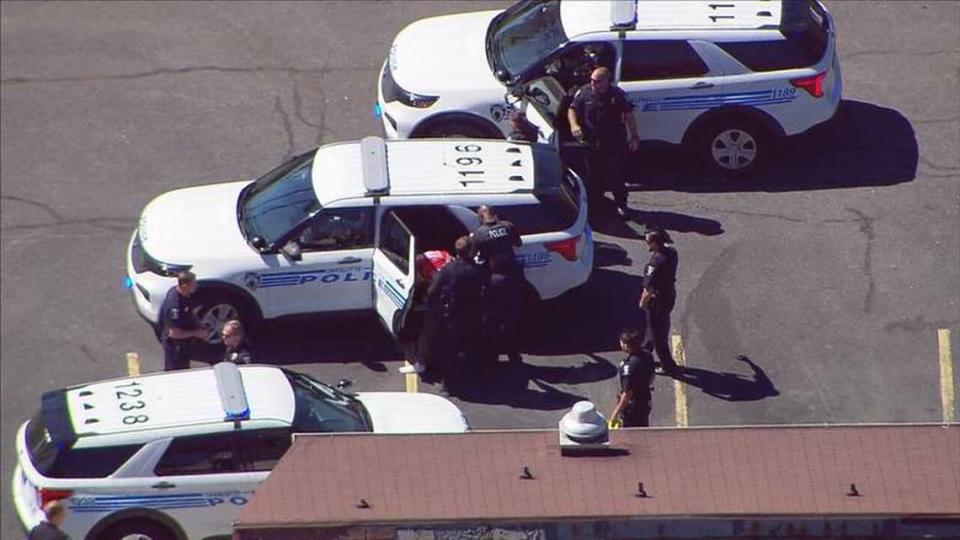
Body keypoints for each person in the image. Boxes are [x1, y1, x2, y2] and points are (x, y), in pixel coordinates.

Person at [567, 66, 640, 218]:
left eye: (598, 81)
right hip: (592, 142)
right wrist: (574, 125)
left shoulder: (617, 95)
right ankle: (596, 204)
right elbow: (572, 109)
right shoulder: (584, 92)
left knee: (617, 175)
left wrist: (634, 136)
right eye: (592, 80)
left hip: (614, 142)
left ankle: (621, 205)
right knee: (594, 176)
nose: (594, 84)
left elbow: (629, 115)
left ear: (607, 81)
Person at [426, 236, 488, 390]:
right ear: (472, 252)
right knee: (472, 346)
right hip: (473, 315)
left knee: (448, 351)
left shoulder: (448, 270)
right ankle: (474, 378)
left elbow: (432, 292)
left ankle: (448, 384)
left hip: (451, 317)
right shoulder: (478, 270)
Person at [471, 205, 524, 364]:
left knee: (493, 318)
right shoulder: (508, 226)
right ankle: (513, 355)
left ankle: (492, 356)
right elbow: (518, 243)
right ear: (495, 215)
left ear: (481, 217)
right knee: (511, 318)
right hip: (513, 277)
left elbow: (473, 254)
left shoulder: (479, 234)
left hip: (494, 279)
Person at [399, 249, 454, 376]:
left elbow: (435, 287)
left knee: (428, 332)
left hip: (444, 301)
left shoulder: (436, 271)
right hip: (449, 296)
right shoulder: (433, 255)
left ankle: (421, 363)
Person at [639, 229, 680, 374]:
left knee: (658, 335)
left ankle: (668, 365)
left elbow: (648, 288)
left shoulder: (654, 263)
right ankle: (645, 351)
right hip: (669, 295)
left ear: (656, 243)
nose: (646, 243)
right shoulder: (672, 253)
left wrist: (642, 303)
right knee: (656, 326)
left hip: (657, 301)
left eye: (648, 241)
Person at [159, 271, 208, 371]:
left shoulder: (184, 294)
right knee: (176, 372)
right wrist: (197, 333)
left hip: (184, 344)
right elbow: (174, 333)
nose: (196, 286)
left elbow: (189, 311)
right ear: (185, 285)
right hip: (176, 347)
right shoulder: (175, 306)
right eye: (193, 284)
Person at [609, 331, 656, 427]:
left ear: (626, 345)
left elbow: (627, 394)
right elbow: (652, 375)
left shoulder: (628, 367)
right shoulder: (647, 355)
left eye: (622, 342)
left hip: (633, 407)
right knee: (643, 425)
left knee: (631, 430)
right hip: (645, 399)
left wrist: (615, 414)